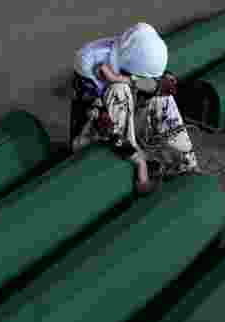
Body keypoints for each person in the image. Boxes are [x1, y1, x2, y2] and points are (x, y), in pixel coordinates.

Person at [71, 23, 201, 194]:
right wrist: (140, 165)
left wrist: (124, 79)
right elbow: (106, 125)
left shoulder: (137, 52)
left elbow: (167, 86)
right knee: (119, 90)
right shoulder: (88, 62)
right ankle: (137, 165)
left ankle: (187, 166)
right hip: (97, 137)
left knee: (162, 97)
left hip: (129, 127)